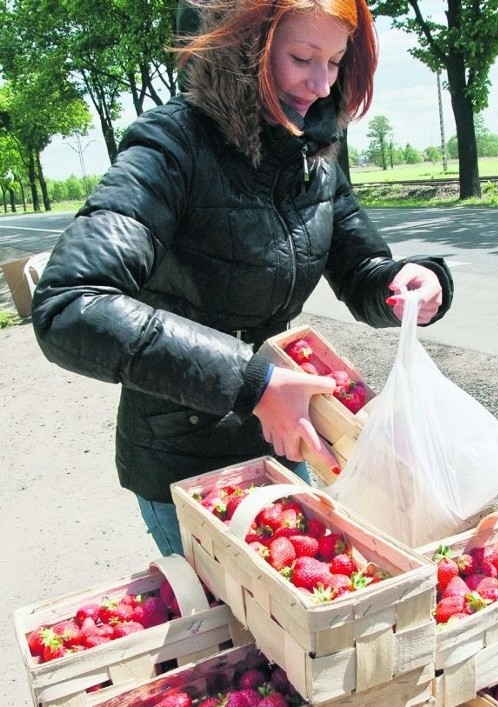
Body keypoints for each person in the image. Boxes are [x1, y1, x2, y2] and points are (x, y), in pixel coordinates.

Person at [31, 0, 454, 557]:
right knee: (233, 635)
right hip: (184, 459)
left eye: (334, 61)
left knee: (298, 630)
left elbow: (363, 271)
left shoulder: (314, 153)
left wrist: (413, 284)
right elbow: (69, 306)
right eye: (303, 57)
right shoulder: (171, 146)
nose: (321, 83)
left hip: (283, 439)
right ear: (246, 49)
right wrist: (251, 383)